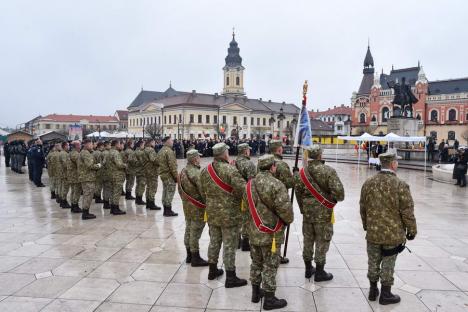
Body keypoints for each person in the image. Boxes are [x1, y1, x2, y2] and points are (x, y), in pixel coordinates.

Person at [360, 152, 417, 305]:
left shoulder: (368, 183)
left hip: (373, 233)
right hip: (392, 234)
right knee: (388, 263)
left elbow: (363, 207)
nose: (397, 164)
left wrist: (366, 225)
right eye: (396, 162)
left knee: (373, 261)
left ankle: (373, 291)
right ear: (392, 164)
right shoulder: (400, 185)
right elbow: (407, 211)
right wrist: (412, 230)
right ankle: (386, 294)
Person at [245, 154, 294, 310]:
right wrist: (288, 220)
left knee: (256, 262)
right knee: (270, 265)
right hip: (271, 234)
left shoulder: (249, 184)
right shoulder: (277, 185)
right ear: (273, 167)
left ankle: (255, 292)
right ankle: (269, 299)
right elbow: (286, 211)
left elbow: (246, 206)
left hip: (254, 231)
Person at [200, 142, 247, 287]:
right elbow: (243, 190)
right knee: (229, 245)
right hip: (229, 215)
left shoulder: (205, 171)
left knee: (214, 242)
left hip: (212, 213)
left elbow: (202, 192)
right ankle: (231, 277)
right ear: (225, 154)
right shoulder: (230, 170)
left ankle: (212, 271)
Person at [295, 145, 345, 281]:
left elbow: (297, 194)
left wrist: (303, 209)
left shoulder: (302, 173)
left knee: (308, 240)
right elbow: (340, 194)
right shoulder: (328, 171)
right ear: (319, 156)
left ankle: (307, 268)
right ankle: (320, 272)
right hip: (323, 213)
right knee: (322, 240)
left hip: (307, 214)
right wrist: (330, 200)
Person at [179, 149, 208, 267]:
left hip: (187, 205)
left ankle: (189, 255)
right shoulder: (196, 173)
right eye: (199, 157)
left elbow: (180, 190)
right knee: (195, 231)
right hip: (197, 207)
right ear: (195, 159)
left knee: (189, 229)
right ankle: (195, 257)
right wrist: (207, 204)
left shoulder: (183, 171)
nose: (200, 159)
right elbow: (203, 192)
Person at [268, 139, 294, 264]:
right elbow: (289, 183)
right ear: (279, 149)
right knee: (278, 231)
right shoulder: (282, 164)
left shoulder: (264, 161)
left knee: (267, 229)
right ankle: (276, 257)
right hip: (279, 201)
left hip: (265, 201)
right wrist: (294, 175)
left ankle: (268, 254)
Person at [233, 143, 256, 251]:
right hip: (245, 195)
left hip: (234, 195)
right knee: (247, 218)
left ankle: (237, 242)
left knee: (237, 218)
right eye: (248, 150)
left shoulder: (233, 163)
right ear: (245, 151)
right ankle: (246, 242)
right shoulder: (249, 164)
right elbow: (252, 183)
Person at [78, 139, 102, 220]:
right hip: (87, 177)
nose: (92, 146)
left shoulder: (84, 152)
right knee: (88, 195)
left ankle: (86, 212)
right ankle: (85, 213)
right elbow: (90, 165)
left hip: (86, 177)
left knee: (87, 195)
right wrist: (98, 165)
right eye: (91, 144)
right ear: (87, 144)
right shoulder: (86, 153)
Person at [158, 136, 178, 217]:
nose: (172, 142)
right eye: (171, 140)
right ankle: (168, 210)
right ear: (167, 141)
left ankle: (166, 209)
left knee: (165, 191)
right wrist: (176, 177)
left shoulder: (161, 150)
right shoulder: (169, 151)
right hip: (169, 175)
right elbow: (172, 166)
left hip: (163, 174)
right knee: (170, 192)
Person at [108, 140, 127, 215]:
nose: (120, 145)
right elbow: (119, 164)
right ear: (116, 144)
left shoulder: (109, 152)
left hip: (110, 174)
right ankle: (115, 208)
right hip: (117, 175)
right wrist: (125, 165)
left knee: (113, 191)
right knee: (117, 192)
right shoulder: (116, 153)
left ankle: (112, 208)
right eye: (119, 144)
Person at [144, 139, 161, 210]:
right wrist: (160, 161)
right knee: (153, 187)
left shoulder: (144, 150)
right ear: (151, 143)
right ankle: (151, 203)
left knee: (148, 187)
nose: (155, 143)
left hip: (146, 170)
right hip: (152, 171)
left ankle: (148, 203)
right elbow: (153, 159)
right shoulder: (151, 150)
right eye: (154, 142)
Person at [67, 141, 82, 213]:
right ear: (76, 146)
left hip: (71, 175)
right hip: (75, 176)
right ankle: (75, 206)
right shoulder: (75, 154)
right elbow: (80, 164)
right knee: (76, 191)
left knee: (73, 191)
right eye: (79, 144)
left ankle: (73, 205)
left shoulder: (71, 153)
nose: (80, 146)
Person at [134, 140, 147, 205]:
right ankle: (139, 199)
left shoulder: (135, 151)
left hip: (137, 171)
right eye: (143, 145)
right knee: (141, 186)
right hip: (142, 171)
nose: (144, 146)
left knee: (138, 185)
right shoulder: (141, 153)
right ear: (141, 145)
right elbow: (143, 162)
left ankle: (137, 198)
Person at [58, 141, 71, 208]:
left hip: (64, 173)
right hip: (65, 174)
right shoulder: (63, 154)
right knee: (65, 188)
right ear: (65, 146)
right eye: (68, 145)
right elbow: (65, 164)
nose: (69, 147)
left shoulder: (64, 153)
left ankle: (63, 201)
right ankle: (63, 201)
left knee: (64, 188)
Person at [101, 141, 112, 209]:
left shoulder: (102, 152)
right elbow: (104, 162)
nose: (110, 146)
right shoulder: (107, 153)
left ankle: (106, 202)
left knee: (105, 188)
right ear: (107, 145)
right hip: (107, 173)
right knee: (107, 188)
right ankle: (106, 203)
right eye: (109, 145)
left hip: (103, 173)